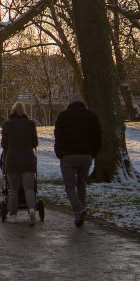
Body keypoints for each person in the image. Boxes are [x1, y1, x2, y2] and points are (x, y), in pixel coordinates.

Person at [54, 94, 102, 227]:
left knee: (69, 186)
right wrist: (93, 153)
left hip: (68, 156)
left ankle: (79, 209)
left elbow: (58, 136)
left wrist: (59, 153)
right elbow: (98, 136)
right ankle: (80, 213)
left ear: (71, 104)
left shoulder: (63, 116)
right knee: (82, 185)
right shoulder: (91, 116)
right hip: (86, 156)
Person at [1, 102, 39, 226]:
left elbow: (4, 145)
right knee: (29, 188)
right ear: (24, 111)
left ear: (12, 111)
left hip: (12, 160)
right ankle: (32, 209)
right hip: (28, 159)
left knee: (13, 189)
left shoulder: (7, 125)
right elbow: (35, 143)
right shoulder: (30, 124)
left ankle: (13, 215)